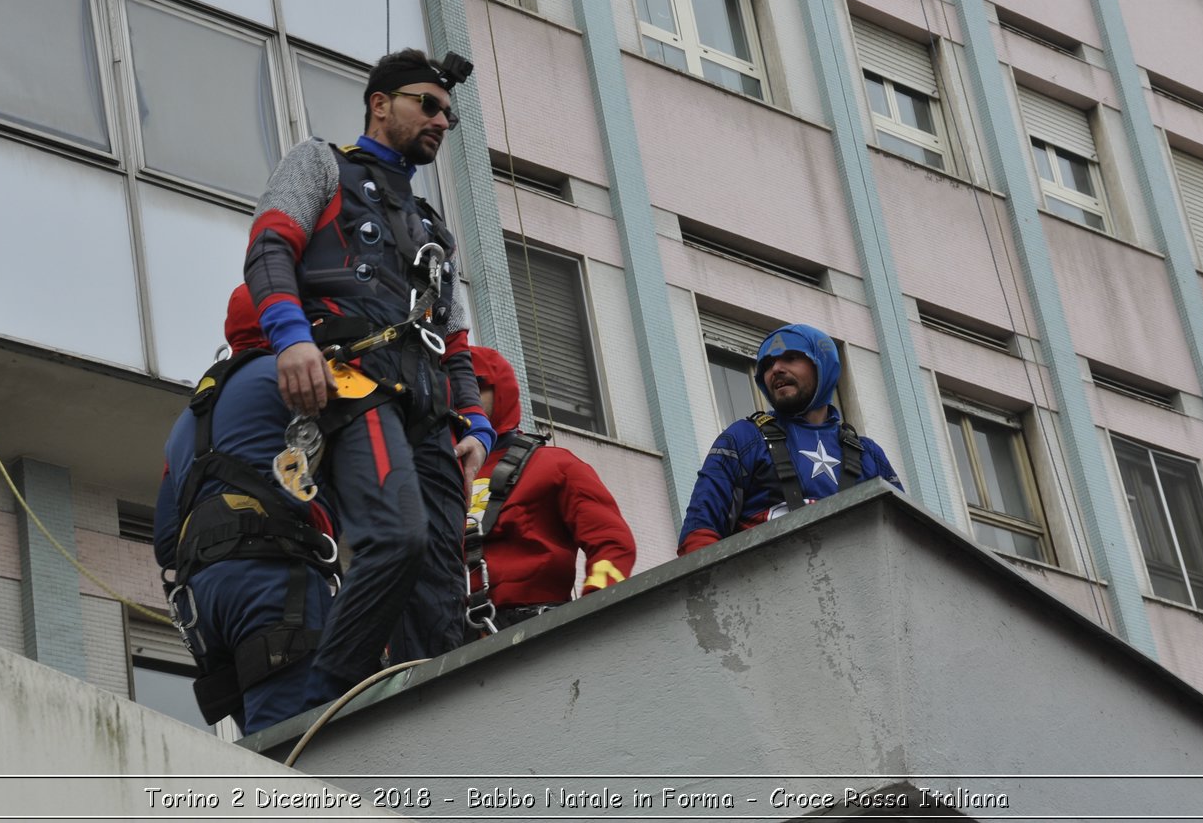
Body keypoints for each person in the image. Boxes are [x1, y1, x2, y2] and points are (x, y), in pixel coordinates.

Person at [243, 48, 496, 703]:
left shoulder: (432, 227)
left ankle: (427, 720)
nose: (442, 120)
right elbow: (270, 247)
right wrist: (291, 340)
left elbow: (455, 335)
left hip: (427, 410)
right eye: (429, 105)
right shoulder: (320, 164)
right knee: (395, 537)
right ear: (381, 104)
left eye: (450, 113)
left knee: (440, 584)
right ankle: (329, 699)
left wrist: (474, 421)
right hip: (352, 384)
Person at [153, 284, 339, 734]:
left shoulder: (185, 423)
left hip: (207, 602)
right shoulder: (293, 376)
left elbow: (165, 543)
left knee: (262, 744)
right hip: (271, 581)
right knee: (294, 750)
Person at [678, 323, 902, 556]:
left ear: (822, 364)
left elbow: (902, 540)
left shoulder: (869, 455)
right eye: (767, 365)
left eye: (791, 357)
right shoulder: (743, 438)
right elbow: (698, 535)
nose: (776, 369)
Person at [463, 346, 636, 632]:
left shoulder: (554, 465)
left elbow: (612, 542)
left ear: (502, 390)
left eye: (475, 389)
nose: (464, 403)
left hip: (536, 630)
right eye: (454, 394)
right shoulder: (432, 481)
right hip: (444, 643)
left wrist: (595, 610)